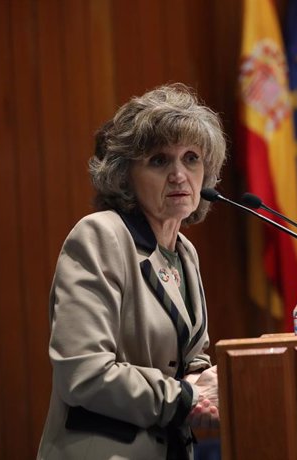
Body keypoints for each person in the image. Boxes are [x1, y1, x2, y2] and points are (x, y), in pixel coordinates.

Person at [37, 84, 226, 460]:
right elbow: (85, 374)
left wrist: (214, 386)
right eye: (159, 160)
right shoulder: (100, 235)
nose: (178, 174)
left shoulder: (184, 252)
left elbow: (188, 359)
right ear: (125, 175)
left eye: (191, 158)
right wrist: (187, 396)